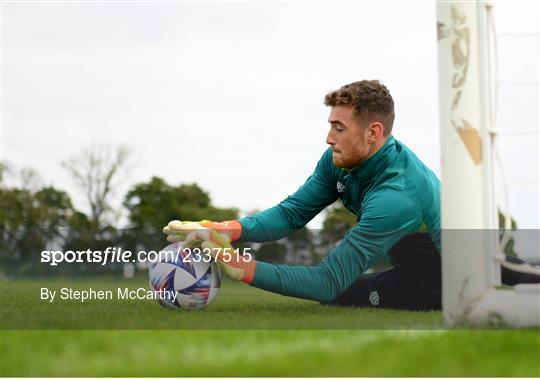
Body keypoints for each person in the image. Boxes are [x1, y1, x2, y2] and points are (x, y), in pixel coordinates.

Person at [163, 80, 539, 311]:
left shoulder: (398, 197)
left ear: (374, 132)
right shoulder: (338, 159)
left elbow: (325, 281)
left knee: (334, 291)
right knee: (344, 294)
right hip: (413, 266)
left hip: (448, 288)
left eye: (339, 128)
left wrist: (242, 268)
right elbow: (293, 213)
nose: (329, 138)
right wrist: (226, 229)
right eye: (330, 126)